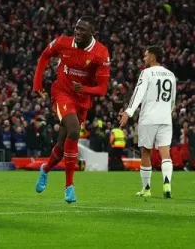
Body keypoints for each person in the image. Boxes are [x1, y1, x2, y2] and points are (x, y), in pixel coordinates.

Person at [33, 16, 110, 203]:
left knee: (61, 145)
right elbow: (44, 55)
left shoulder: (100, 53)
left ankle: (46, 169)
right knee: (74, 130)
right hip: (61, 93)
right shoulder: (63, 42)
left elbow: (102, 89)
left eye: (82, 29)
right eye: (76, 28)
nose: (77, 32)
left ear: (92, 32)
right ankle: (69, 186)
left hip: (82, 100)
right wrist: (37, 83)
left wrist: (83, 89)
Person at [120, 46, 177, 198]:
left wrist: (128, 112)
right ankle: (167, 184)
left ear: (152, 57)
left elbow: (138, 93)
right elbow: (173, 100)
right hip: (165, 118)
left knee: (146, 152)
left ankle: (146, 189)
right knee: (166, 152)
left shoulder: (146, 73)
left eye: (145, 56)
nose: (144, 59)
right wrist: (167, 114)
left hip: (149, 119)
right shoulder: (171, 75)